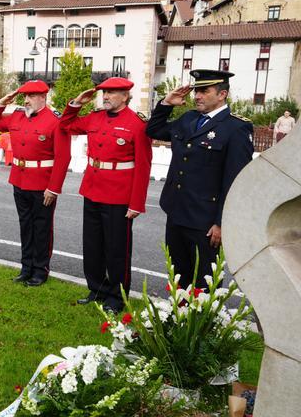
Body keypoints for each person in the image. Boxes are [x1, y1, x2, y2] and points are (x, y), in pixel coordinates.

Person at [146, 69, 253, 289]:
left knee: (204, 281)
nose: (197, 96)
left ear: (222, 94)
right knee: (178, 276)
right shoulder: (189, 118)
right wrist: (166, 103)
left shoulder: (236, 127)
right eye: (196, 91)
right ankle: (179, 320)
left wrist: (222, 222)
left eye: (204, 91)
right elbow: (154, 130)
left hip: (205, 221)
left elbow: (236, 181)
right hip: (176, 211)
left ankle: (203, 324)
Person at [60, 77, 152, 312]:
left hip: (119, 195)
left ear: (125, 96)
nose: (106, 97)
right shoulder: (95, 117)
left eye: (111, 93)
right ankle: (97, 289)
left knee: (116, 250)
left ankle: (116, 297)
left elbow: (143, 166)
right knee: (92, 245)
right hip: (92, 189)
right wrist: (76, 103)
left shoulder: (137, 124)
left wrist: (136, 203)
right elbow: (65, 125)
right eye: (104, 93)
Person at [0, 80, 71, 286]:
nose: (26, 100)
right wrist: (1, 103)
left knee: (42, 228)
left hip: (43, 185)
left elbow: (63, 158)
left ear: (43, 97)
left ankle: (40, 270)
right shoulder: (17, 115)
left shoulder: (55, 120)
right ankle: (26, 267)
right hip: (19, 180)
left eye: (31, 96)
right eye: (25, 96)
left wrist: (54, 188)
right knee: (25, 226)